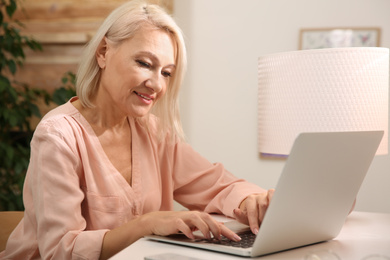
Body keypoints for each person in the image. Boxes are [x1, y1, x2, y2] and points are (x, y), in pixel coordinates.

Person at [0, 1, 274, 259]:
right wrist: (146, 224)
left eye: (166, 72)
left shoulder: (154, 132)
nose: (156, 84)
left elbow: (217, 184)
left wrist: (253, 199)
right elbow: (60, 251)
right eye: (144, 63)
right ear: (104, 52)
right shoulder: (58, 136)